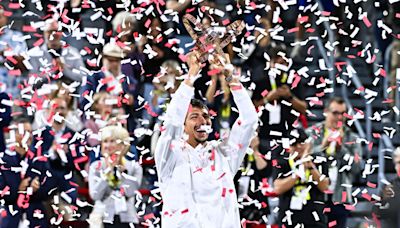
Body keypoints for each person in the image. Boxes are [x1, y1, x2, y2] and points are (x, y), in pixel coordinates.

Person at [154, 50, 258, 227]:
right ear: (183, 124)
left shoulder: (224, 154)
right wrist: (192, 74)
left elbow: (249, 119)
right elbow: (172, 121)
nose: (203, 121)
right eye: (194, 117)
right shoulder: (169, 155)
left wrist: (230, 76)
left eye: (206, 116)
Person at [306, 97, 363, 228]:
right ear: (326, 112)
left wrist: (341, 150)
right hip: (314, 196)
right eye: (335, 113)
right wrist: (322, 147)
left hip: (339, 198)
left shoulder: (352, 138)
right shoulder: (312, 133)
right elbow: (303, 159)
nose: (339, 117)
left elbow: (357, 168)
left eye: (343, 113)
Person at [273, 128, 329, 227]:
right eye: (295, 144)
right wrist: (299, 171)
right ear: (288, 146)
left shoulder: (318, 160)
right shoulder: (282, 162)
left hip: (315, 219)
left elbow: (324, 186)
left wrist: (310, 166)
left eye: (302, 142)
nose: (299, 146)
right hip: (289, 218)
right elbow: (278, 188)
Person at [88, 125, 143, 227]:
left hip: (127, 219)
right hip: (102, 218)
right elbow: (95, 195)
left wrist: (122, 173)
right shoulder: (96, 167)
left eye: (112, 141)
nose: (107, 145)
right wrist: (108, 171)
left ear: (123, 145)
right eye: (105, 141)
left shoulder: (134, 167)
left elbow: (129, 192)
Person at [0, 116, 50, 227]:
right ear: (14, 134)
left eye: (30, 132)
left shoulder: (39, 160)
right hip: (11, 218)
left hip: (35, 217)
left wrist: (36, 189)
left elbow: (48, 190)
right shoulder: (3, 161)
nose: (29, 136)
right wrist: (19, 189)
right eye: (25, 132)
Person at [28, 18, 86, 86]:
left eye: (56, 31)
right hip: (43, 93)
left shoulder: (73, 52)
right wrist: (51, 71)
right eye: (49, 31)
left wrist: (64, 69)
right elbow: (31, 80)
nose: (53, 34)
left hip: (69, 92)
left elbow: (83, 77)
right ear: (44, 33)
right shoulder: (34, 54)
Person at [0, 5, 28, 98]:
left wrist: (9, 55)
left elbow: (24, 66)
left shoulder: (16, 37)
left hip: (11, 91)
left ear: (5, 18)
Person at [374, 147, 400, 227]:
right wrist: (384, 200)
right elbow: (376, 213)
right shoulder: (391, 186)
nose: (397, 167)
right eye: (396, 163)